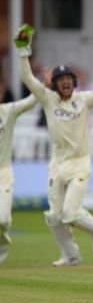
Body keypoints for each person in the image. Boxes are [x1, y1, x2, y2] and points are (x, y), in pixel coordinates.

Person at [14, 23, 93, 267]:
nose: (65, 83)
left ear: (74, 83)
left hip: (79, 162)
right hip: (57, 163)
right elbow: (27, 79)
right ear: (55, 84)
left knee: (70, 213)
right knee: (54, 217)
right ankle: (71, 255)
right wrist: (23, 52)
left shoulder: (83, 100)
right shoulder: (48, 99)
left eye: (68, 79)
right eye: (60, 80)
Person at [0, 93, 37, 263]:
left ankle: (2, 243)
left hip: (3, 173)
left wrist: (42, 86)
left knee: (3, 219)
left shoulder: (7, 111)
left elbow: (30, 102)